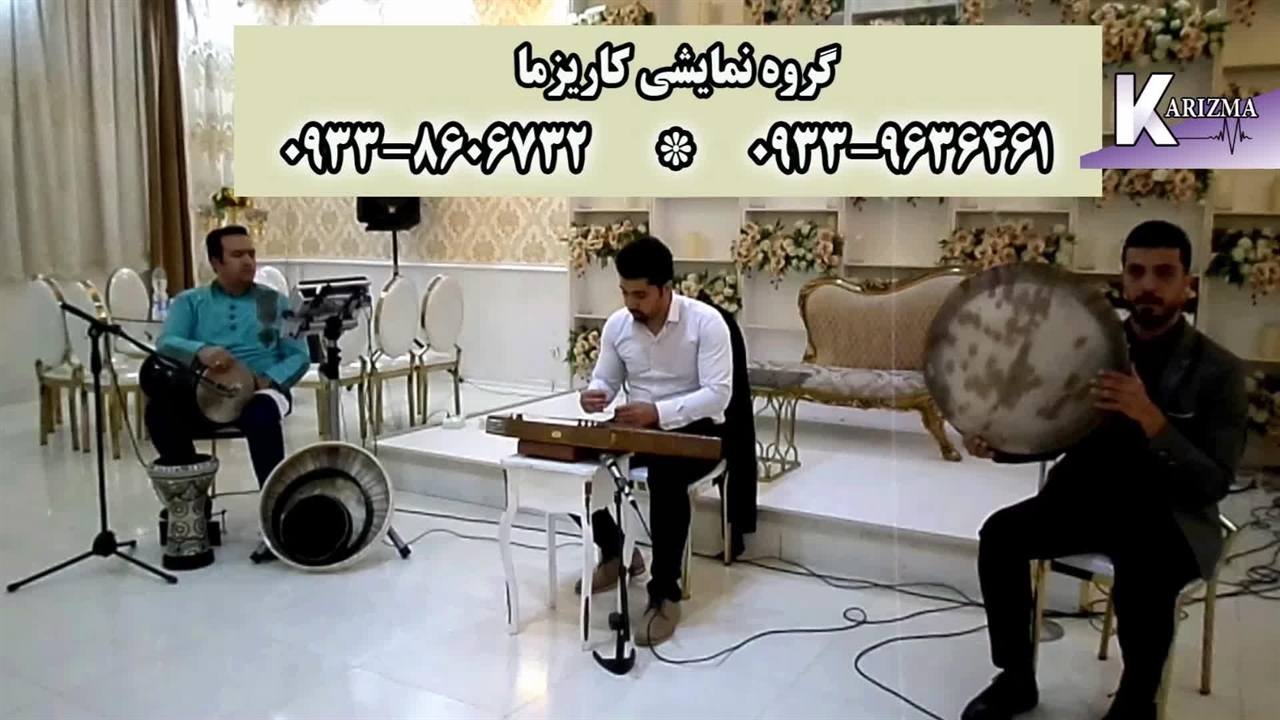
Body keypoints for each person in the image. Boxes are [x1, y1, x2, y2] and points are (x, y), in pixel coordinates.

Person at [960, 220, 1248, 720]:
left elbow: (1213, 482)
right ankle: (1016, 678)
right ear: (1123, 279)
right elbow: (1058, 432)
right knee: (1000, 536)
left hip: (1170, 513)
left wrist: (1151, 419)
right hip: (1088, 499)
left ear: (1188, 284)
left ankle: (1136, 702)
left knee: (1145, 568)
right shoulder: (1090, 348)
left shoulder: (1219, 370)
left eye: (1164, 273)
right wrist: (999, 447)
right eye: (1137, 272)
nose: (1148, 285)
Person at [571, 235, 733, 647]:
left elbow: (718, 395)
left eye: (640, 295)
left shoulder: (706, 323)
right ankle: (616, 552)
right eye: (625, 293)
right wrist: (596, 394)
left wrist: (658, 413)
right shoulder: (618, 325)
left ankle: (664, 593)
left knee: (665, 476)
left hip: (698, 430)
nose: (631, 303)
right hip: (639, 427)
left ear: (666, 288)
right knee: (572, 462)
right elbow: (606, 379)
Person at [144, 225, 311, 562]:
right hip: (204, 392)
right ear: (216, 262)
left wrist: (269, 379)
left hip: (261, 391)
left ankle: (276, 509)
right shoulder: (190, 302)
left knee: (262, 416)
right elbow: (167, 342)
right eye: (237, 255)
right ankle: (193, 503)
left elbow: (299, 355)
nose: (248, 261)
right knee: (159, 414)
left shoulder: (276, 302)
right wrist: (201, 350)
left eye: (251, 253)